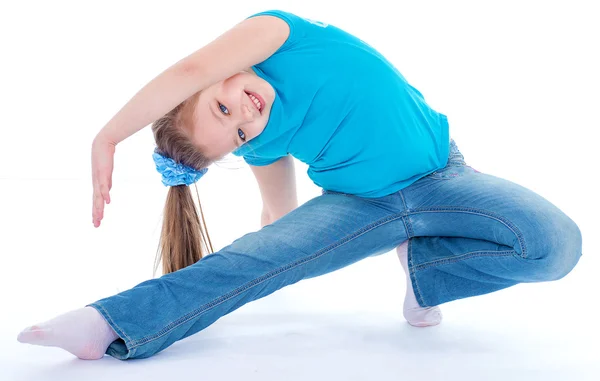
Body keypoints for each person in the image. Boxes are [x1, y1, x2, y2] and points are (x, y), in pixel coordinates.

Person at [16, 10, 582, 361]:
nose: (245, 115)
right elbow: (279, 213)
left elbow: (185, 73)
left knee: (555, 243)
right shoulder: (262, 140)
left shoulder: (275, 34)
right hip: (362, 206)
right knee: (256, 260)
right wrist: (280, 244)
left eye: (223, 106)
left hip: (445, 178)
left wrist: (109, 137)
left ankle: (426, 272)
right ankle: (108, 322)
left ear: (216, 74)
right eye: (236, 133)